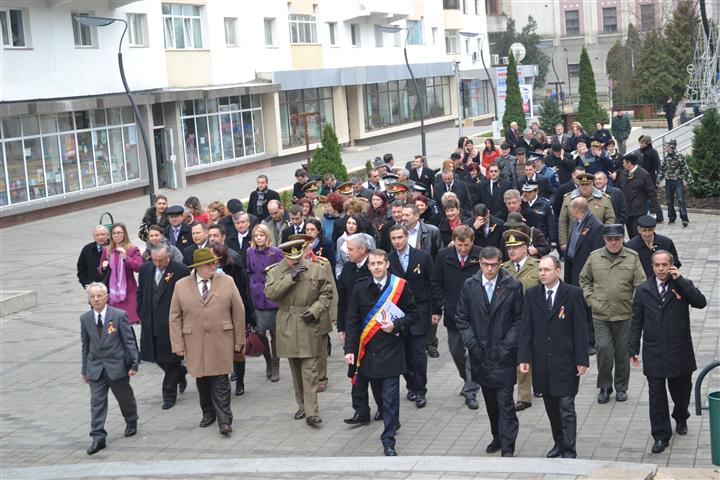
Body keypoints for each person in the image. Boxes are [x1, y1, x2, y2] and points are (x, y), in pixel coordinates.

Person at [629, 251, 707, 454]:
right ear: (652, 267)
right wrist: (633, 348)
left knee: (681, 391)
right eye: (657, 265)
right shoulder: (644, 289)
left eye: (665, 265)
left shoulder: (680, 285)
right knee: (656, 396)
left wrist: (681, 280)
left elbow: (700, 302)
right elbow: (637, 321)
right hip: (654, 350)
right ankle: (661, 435)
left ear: (671, 266)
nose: (661, 269)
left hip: (679, 350)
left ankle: (681, 416)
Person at [344, 249, 418, 456]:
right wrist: (349, 349)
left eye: (379, 263)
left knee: (390, 397)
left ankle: (388, 440)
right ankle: (392, 421)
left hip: (392, 350)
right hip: (368, 352)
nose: (376, 267)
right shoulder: (360, 288)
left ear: (387, 264)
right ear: (368, 266)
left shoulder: (400, 286)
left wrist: (395, 325)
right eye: (372, 264)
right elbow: (352, 321)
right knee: (379, 395)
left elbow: (413, 313)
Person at [455, 246, 524, 457]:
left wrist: (506, 345)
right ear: (480, 263)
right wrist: (472, 344)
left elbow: (519, 319)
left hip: (503, 354)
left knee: (505, 402)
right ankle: (497, 436)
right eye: (486, 265)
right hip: (480, 355)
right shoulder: (471, 285)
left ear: (500, 263)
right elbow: (462, 317)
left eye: (494, 265)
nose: (490, 269)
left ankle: (508, 444)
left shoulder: (512, 285)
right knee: (491, 402)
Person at [518, 256, 589, 459]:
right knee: (551, 407)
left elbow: (580, 329)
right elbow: (526, 328)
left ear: (558, 271)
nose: (542, 273)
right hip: (542, 362)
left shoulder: (573, 294)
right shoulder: (532, 294)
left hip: (565, 362)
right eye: (540, 270)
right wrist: (523, 358)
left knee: (566, 406)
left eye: (546, 270)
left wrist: (582, 359)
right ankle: (558, 442)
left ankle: (569, 448)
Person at [170, 248, 245, 435]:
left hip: (221, 339)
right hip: (194, 340)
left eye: (215, 263)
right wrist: (177, 344)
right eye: (209, 264)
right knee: (202, 380)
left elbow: (238, 311)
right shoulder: (181, 285)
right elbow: (174, 317)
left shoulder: (227, 281)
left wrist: (239, 339)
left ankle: (225, 420)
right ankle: (208, 412)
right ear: (198, 267)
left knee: (221, 380)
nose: (214, 266)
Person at [264, 240, 334, 426]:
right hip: (287, 323)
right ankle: (302, 406)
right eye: (291, 259)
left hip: (308, 321)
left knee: (310, 369)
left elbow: (326, 293)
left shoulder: (316, 269)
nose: (296, 262)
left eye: (299, 257)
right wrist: (290, 278)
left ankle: (312, 413)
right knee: (295, 369)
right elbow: (270, 293)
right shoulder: (275, 271)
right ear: (285, 256)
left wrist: (315, 310)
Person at [579, 224, 645, 404]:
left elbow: (641, 284)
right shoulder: (595, 257)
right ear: (604, 240)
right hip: (600, 314)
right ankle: (604, 386)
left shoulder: (632, 258)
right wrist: (591, 300)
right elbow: (584, 280)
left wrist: (635, 304)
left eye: (617, 239)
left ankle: (621, 387)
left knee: (623, 353)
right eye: (610, 239)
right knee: (604, 350)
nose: (614, 242)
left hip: (624, 314)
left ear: (623, 239)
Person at [81, 282, 139, 455]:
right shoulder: (85, 318)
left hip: (116, 366)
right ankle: (98, 437)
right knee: (96, 403)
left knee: (124, 397)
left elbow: (129, 341)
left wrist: (134, 363)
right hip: (96, 367)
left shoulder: (119, 315)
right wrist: (84, 369)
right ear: (88, 300)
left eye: (99, 296)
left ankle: (131, 419)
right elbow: (86, 345)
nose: (96, 299)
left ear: (106, 297)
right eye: (92, 297)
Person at [430, 226, 482, 409]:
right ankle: (467, 377)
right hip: (453, 313)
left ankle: (471, 390)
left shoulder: (480, 255)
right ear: (454, 241)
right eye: (459, 245)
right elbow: (435, 282)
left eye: (466, 245)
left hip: (476, 314)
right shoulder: (444, 255)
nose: (462, 249)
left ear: (472, 241)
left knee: (475, 352)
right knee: (456, 350)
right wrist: (441, 305)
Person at [136, 244, 190, 410]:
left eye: (162, 260)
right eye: (155, 260)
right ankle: (180, 374)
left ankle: (168, 395)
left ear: (168, 256)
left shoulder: (180, 270)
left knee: (171, 359)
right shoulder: (145, 270)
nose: (158, 264)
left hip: (170, 323)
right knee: (157, 358)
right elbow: (140, 292)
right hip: (150, 321)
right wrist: (141, 311)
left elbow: (186, 297)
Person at [388, 225, 434, 408]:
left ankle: (421, 389)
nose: (397, 241)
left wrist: (435, 310)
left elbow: (432, 282)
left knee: (418, 353)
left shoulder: (423, 256)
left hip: (420, 310)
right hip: (399, 313)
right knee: (404, 354)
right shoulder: (389, 259)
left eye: (400, 237)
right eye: (393, 238)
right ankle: (411, 384)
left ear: (407, 237)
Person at [289, 233, 338, 393]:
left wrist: (334, 313)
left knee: (320, 348)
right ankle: (307, 377)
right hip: (297, 314)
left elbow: (331, 289)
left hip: (319, 311)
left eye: (305, 246)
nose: (303, 250)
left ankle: (321, 378)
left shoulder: (322, 263)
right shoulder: (288, 266)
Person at [500, 229, 540, 412]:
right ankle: (523, 397)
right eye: (509, 247)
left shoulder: (537, 266)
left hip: (533, 319)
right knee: (519, 356)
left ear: (525, 248)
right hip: (510, 320)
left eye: (516, 247)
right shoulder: (503, 269)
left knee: (535, 355)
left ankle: (538, 384)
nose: (512, 251)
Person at [245, 224, 283, 382]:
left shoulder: (276, 252)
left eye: (261, 235)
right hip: (257, 297)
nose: (258, 238)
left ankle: (275, 364)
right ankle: (268, 360)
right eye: (256, 236)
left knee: (275, 333)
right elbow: (248, 271)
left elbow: (282, 272)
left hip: (273, 298)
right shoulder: (250, 252)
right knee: (260, 333)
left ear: (267, 236)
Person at [558, 173, 615, 252]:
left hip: (596, 241)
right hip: (575, 241)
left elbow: (610, 219)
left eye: (587, 185)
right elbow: (563, 221)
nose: (584, 187)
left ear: (593, 184)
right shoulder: (569, 198)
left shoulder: (604, 199)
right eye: (582, 185)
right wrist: (563, 242)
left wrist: (605, 238)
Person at [98, 223, 142, 324]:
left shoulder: (132, 249)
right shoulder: (107, 250)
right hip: (113, 294)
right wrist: (104, 267)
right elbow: (101, 269)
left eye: (119, 233)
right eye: (114, 233)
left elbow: (139, 267)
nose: (116, 235)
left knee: (128, 324)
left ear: (124, 234)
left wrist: (126, 257)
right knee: (114, 324)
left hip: (128, 292)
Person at [617, 153, 661, 238]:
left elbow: (651, 193)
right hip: (627, 211)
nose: (622, 165)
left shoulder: (643, 174)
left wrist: (653, 210)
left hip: (639, 211)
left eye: (624, 163)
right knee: (630, 235)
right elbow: (620, 189)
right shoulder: (623, 174)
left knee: (637, 235)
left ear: (629, 163)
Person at [564, 197, 604, 286]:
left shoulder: (596, 226)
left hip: (585, 270)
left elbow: (598, 251)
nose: (569, 210)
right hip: (572, 265)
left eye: (571, 208)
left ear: (576, 209)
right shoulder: (575, 222)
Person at [659, 139, 690, 227]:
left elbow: (685, 168)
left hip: (678, 181)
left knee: (681, 199)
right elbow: (662, 170)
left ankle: (684, 218)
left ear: (671, 146)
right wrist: (658, 179)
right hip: (668, 181)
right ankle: (671, 218)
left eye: (666, 146)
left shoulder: (679, 156)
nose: (665, 147)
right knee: (669, 201)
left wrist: (689, 179)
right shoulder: (666, 158)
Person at [336, 213, 376, 277]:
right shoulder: (340, 240)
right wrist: (339, 275)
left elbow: (374, 257)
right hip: (347, 275)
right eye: (349, 223)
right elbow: (339, 262)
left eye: (354, 224)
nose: (351, 226)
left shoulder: (368, 239)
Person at [521, 181, 557, 248]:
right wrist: (522, 202)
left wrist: (553, 241)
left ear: (536, 191)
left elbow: (551, 224)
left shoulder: (545, 204)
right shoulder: (521, 204)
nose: (526, 194)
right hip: (525, 239)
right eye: (525, 192)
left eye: (529, 192)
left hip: (540, 238)